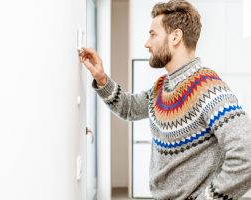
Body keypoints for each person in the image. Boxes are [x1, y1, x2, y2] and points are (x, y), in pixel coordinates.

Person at [79, 0, 251, 199]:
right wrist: (101, 78)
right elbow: (129, 108)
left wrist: (209, 197)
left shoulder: (208, 87)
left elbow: (246, 153)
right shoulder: (162, 86)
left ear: (175, 36)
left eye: (153, 34)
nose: (147, 43)